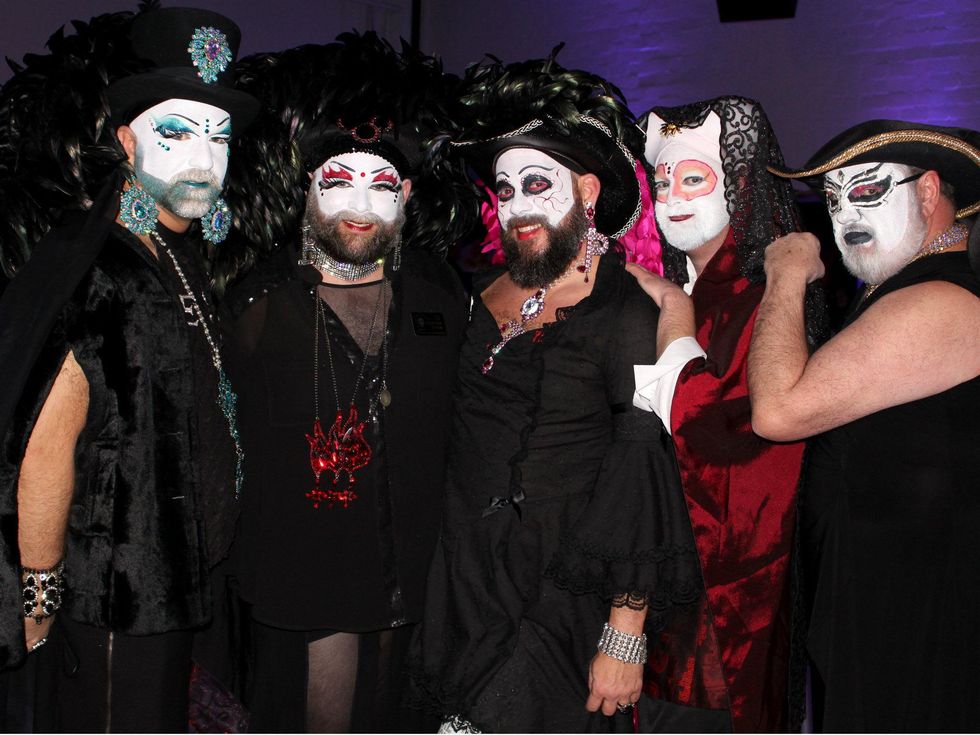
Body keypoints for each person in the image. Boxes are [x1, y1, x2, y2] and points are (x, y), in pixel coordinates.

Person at [407, 56, 702, 733]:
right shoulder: (478, 291)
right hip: (460, 586)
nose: (518, 207)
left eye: (537, 183)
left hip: (554, 600)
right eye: (505, 190)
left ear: (588, 190)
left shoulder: (623, 308)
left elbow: (641, 472)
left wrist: (624, 632)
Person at [0, 7, 257, 731]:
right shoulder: (102, 267)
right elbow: (45, 442)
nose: (203, 160)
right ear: (124, 141)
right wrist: (39, 599)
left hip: (185, 586)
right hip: (118, 598)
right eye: (175, 134)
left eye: (219, 137)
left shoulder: (175, 254)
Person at [217, 35, 476, 733]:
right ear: (307, 187)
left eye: (382, 183)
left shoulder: (443, 295)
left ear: (409, 193)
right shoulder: (253, 306)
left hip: (418, 591)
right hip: (304, 596)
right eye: (338, 179)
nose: (360, 204)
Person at [752, 120, 980, 732]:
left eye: (864, 191)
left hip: (922, 626)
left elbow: (778, 411)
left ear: (929, 193)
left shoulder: (943, 298)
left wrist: (787, 275)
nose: (842, 214)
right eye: (830, 198)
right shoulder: (896, 293)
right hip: (882, 610)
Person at [629, 96, 826, 732]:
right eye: (662, 179)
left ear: (738, 185)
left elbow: (720, 442)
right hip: (649, 579)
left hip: (720, 610)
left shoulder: (756, 298)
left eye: (693, 178)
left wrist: (673, 318)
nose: (672, 196)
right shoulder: (671, 285)